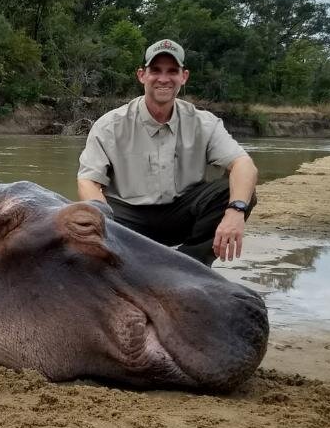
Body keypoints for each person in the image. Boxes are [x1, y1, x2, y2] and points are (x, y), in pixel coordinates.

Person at [76, 38, 258, 266]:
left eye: (172, 71)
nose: (163, 78)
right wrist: (106, 225)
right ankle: (120, 266)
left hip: (181, 214)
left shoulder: (204, 123)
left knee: (236, 193)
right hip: (126, 220)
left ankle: (188, 266)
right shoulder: (109, 125)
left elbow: (244, 164)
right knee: (75, 215)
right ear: (142, 75)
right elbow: (88, 182)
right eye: (156, 70)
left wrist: (235, 212)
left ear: (184, 77)